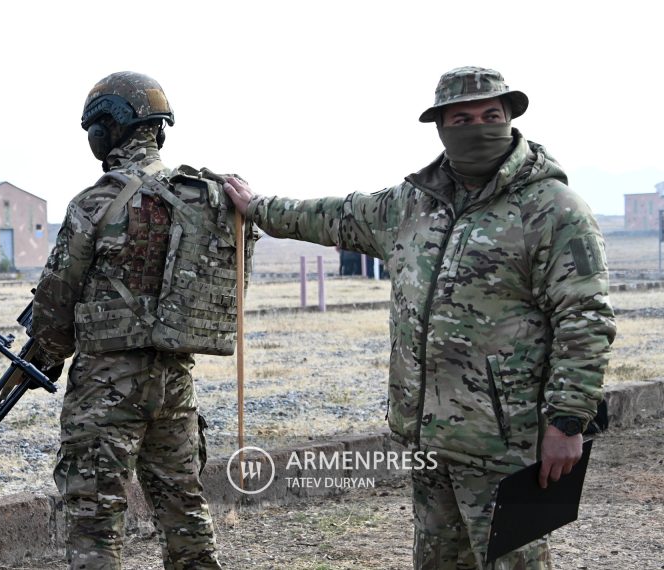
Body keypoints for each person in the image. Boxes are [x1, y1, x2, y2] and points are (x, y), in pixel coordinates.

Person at [223, 66, 616, 569]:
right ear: (441, 127)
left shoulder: (553, 209)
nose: (479, 126)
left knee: (513, 562)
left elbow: (585, 319)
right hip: (427, 438)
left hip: (507, 441)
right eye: (463, 117)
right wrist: (257, 206)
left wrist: (567, 421)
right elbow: (330, 215)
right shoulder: (410, 205)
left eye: (491, 115)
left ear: (511, 118)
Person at [31, 71, 224, 569]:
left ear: (107, 129)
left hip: (106, 386)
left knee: (96, 520)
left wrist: (46, 356)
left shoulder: (95, 204)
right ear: (158, 130)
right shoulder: (202, 197)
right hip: (175, 382)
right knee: (184, 511)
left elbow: (54, 305)